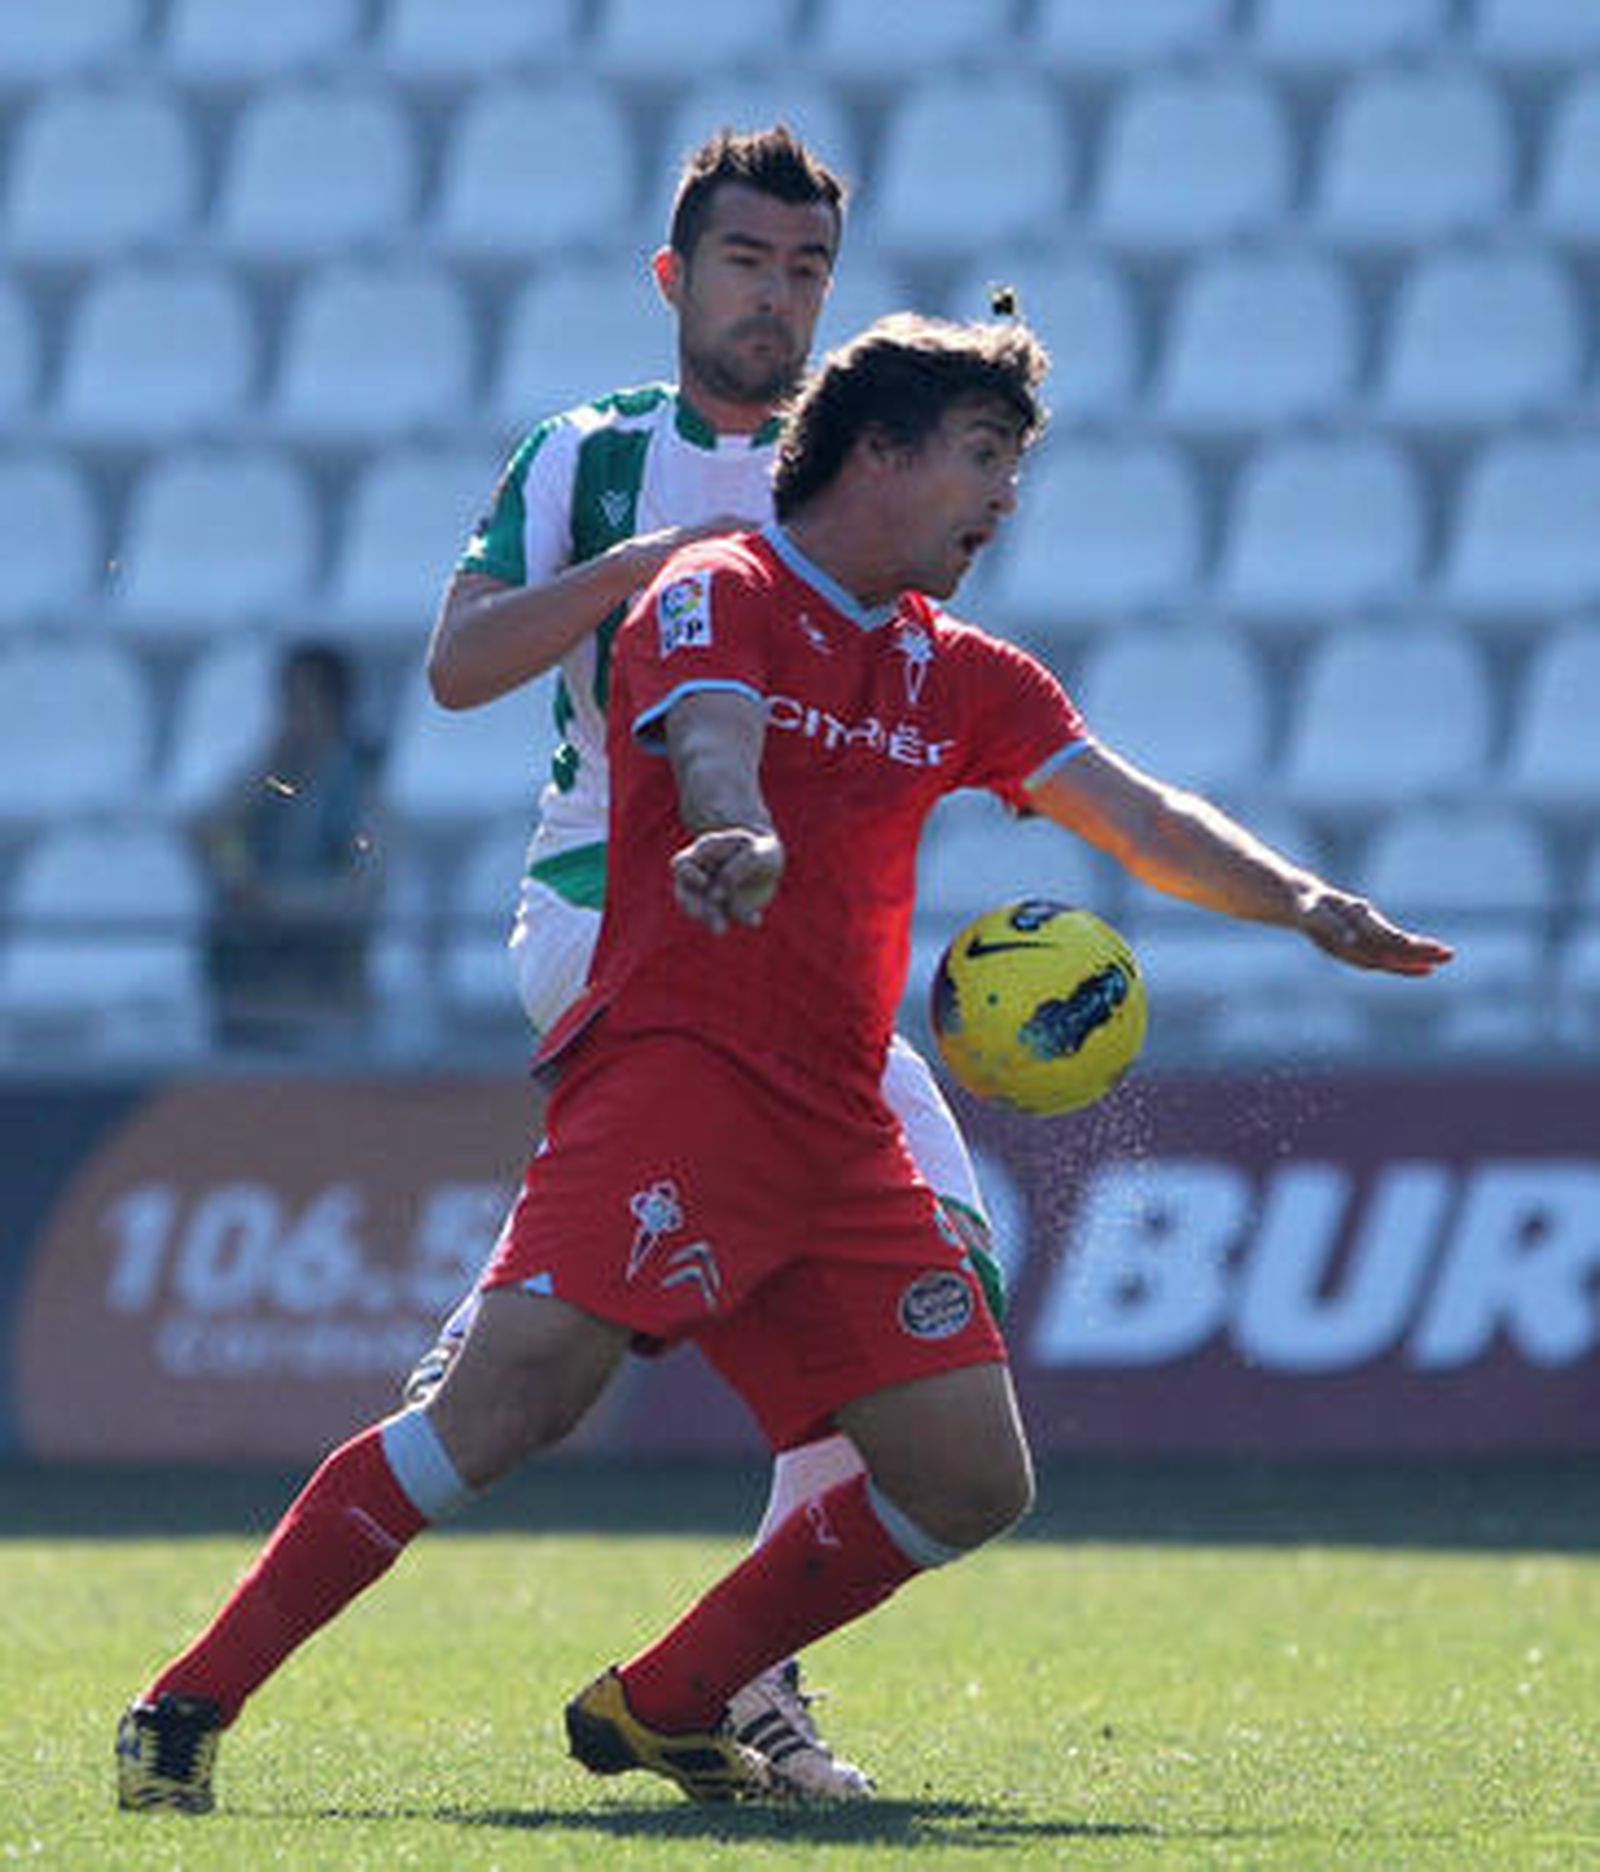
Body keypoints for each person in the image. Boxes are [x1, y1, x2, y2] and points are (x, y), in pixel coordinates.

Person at [116, 311, 1452, 1816]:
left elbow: (1136, 817)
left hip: (837, 1127)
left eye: (1014, 465)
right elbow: (713, 745)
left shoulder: (964, 674)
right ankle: (184, 1702)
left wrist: (1306, 904)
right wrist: (736, 833)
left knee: (970, 1481)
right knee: (503, 1413)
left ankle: (670, 1698)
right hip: (676, 1077)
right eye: (985, 457)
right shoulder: (721, 586)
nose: (1005, 499)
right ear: (879, 453)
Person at [407, 123, 1001, 1795]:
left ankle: (728, 1645)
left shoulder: (862, 476)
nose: (776, 296)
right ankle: (751, 1682)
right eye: (746, 262)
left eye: (807, 268)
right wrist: (631, 574)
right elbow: (455, 664)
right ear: (677, 277)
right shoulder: (589, 453)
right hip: (604, 902)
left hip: (800, 953)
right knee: (870, 1266)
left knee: (935, 1259)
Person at [195, 640, 382, 1050]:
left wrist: (278, 903)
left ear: (335, 708)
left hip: (324, 988)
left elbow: (359, 892)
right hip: (256, 984)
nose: (290, 718)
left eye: (301, 703)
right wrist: (265, 769)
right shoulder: (275, 781)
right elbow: (210, 833)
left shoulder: (362, 792)